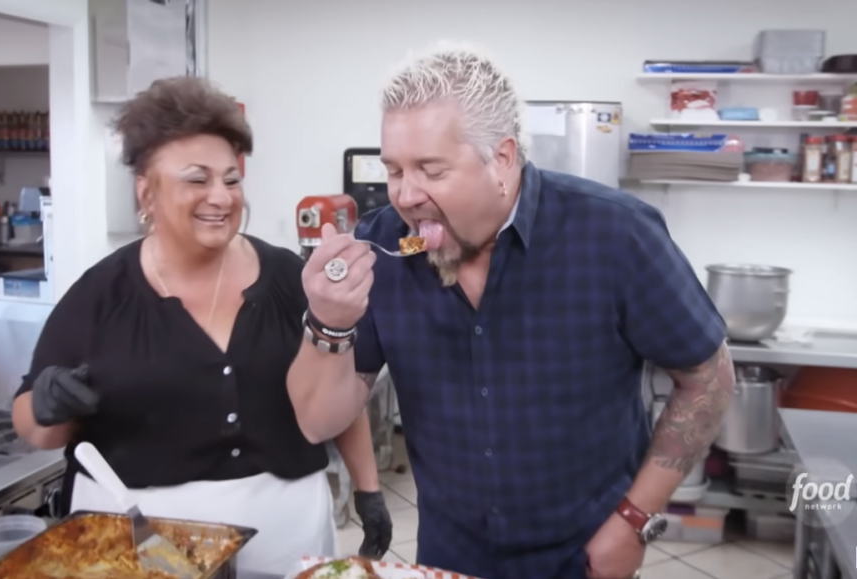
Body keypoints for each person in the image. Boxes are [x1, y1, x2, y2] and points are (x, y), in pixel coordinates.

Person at [287, 43, 735, 579]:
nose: (405, 196)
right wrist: (328, 321)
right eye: (394, 170)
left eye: (430, 170)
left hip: (589, 557)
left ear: (500, 160)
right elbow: (317, 421)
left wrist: (635, 519)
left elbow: (708, 378)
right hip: (448, 558)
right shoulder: (382, 247)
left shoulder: (616, 236)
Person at [11, 76, 392, 576]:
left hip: (283, 541)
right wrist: (46, 407)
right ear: (146, 190)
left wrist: (368, 490)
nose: (221, 197)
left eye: (231, 180)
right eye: (197, 179)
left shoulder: (287, 279)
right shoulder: (101, 295)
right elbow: (31, 421)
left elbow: (337, 388)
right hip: (138, 545)